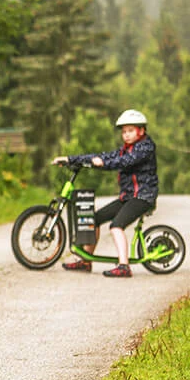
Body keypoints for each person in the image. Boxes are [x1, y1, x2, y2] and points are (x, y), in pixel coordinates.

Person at [51, 109, 158, 278]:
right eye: (124, 132)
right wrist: (70, 159)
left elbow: (124, 162)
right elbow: (103, 156)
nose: (126, 135)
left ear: (141, 131)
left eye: (130, 131)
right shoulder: (125, 149)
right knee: (93, 219)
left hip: (143, 197)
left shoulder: (145, 148)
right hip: (127, 197)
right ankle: (86, 261)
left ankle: (124, 266)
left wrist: (103, 164)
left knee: (116, 225)